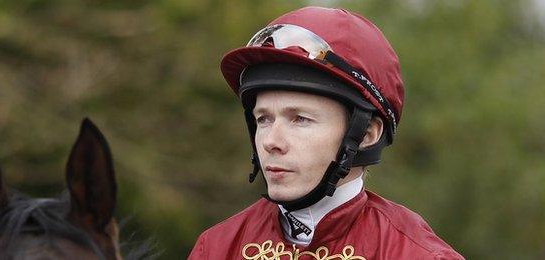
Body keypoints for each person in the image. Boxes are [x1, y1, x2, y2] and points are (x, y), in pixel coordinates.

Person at [189, 6, 464, 260]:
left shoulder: (418, 254)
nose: (272, 141)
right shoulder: (215, 248)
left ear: (366, 134)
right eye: (263, 119)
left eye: (300, 119)